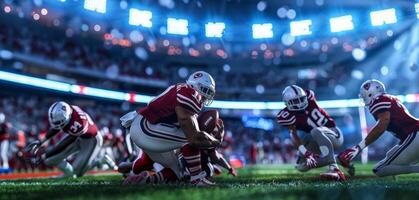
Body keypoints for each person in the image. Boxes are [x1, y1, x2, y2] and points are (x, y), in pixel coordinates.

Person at [120, 71, 221, 186]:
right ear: (195, 86)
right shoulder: (189, 94)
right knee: (190, 138)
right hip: (146, 128)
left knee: (179, 173)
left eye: (209, 92)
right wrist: (214, 141)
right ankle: (197, 179)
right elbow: (193, 138)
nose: (207, 96)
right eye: (205, 90)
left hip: (151, 130)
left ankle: (140, 178)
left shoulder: (183, 90)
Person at [339, 79, 419, 177]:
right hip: (414, 135)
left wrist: (359, 147)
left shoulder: (378, 100)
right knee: (390, 155)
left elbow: (383, 123)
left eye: (364, 95)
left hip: (415, 135)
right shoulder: (389, 98)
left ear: (370, 93)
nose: (363, 98)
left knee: (380, 169)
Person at [276, 85, 348, 181]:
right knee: (300, 166)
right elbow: (293, 134)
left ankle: (335, 169)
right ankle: (338, 159)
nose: (301, 103)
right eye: (296, 101)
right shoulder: (286, 116)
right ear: (287, 103)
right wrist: (306, 152)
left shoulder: (310, 96)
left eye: (302, 99)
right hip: (316, 140)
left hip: (333, 133)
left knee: (315, 130)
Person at [25, 101, 103, 178]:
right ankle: (69, 174)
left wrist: (45, 155)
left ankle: (100, 161)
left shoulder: (79, 123)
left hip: (91, 140)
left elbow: (65, 144)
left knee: (78, 172)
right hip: (78, 136)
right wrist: (41, 142)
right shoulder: (67, 112)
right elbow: (57, 127)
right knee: (49, 160)